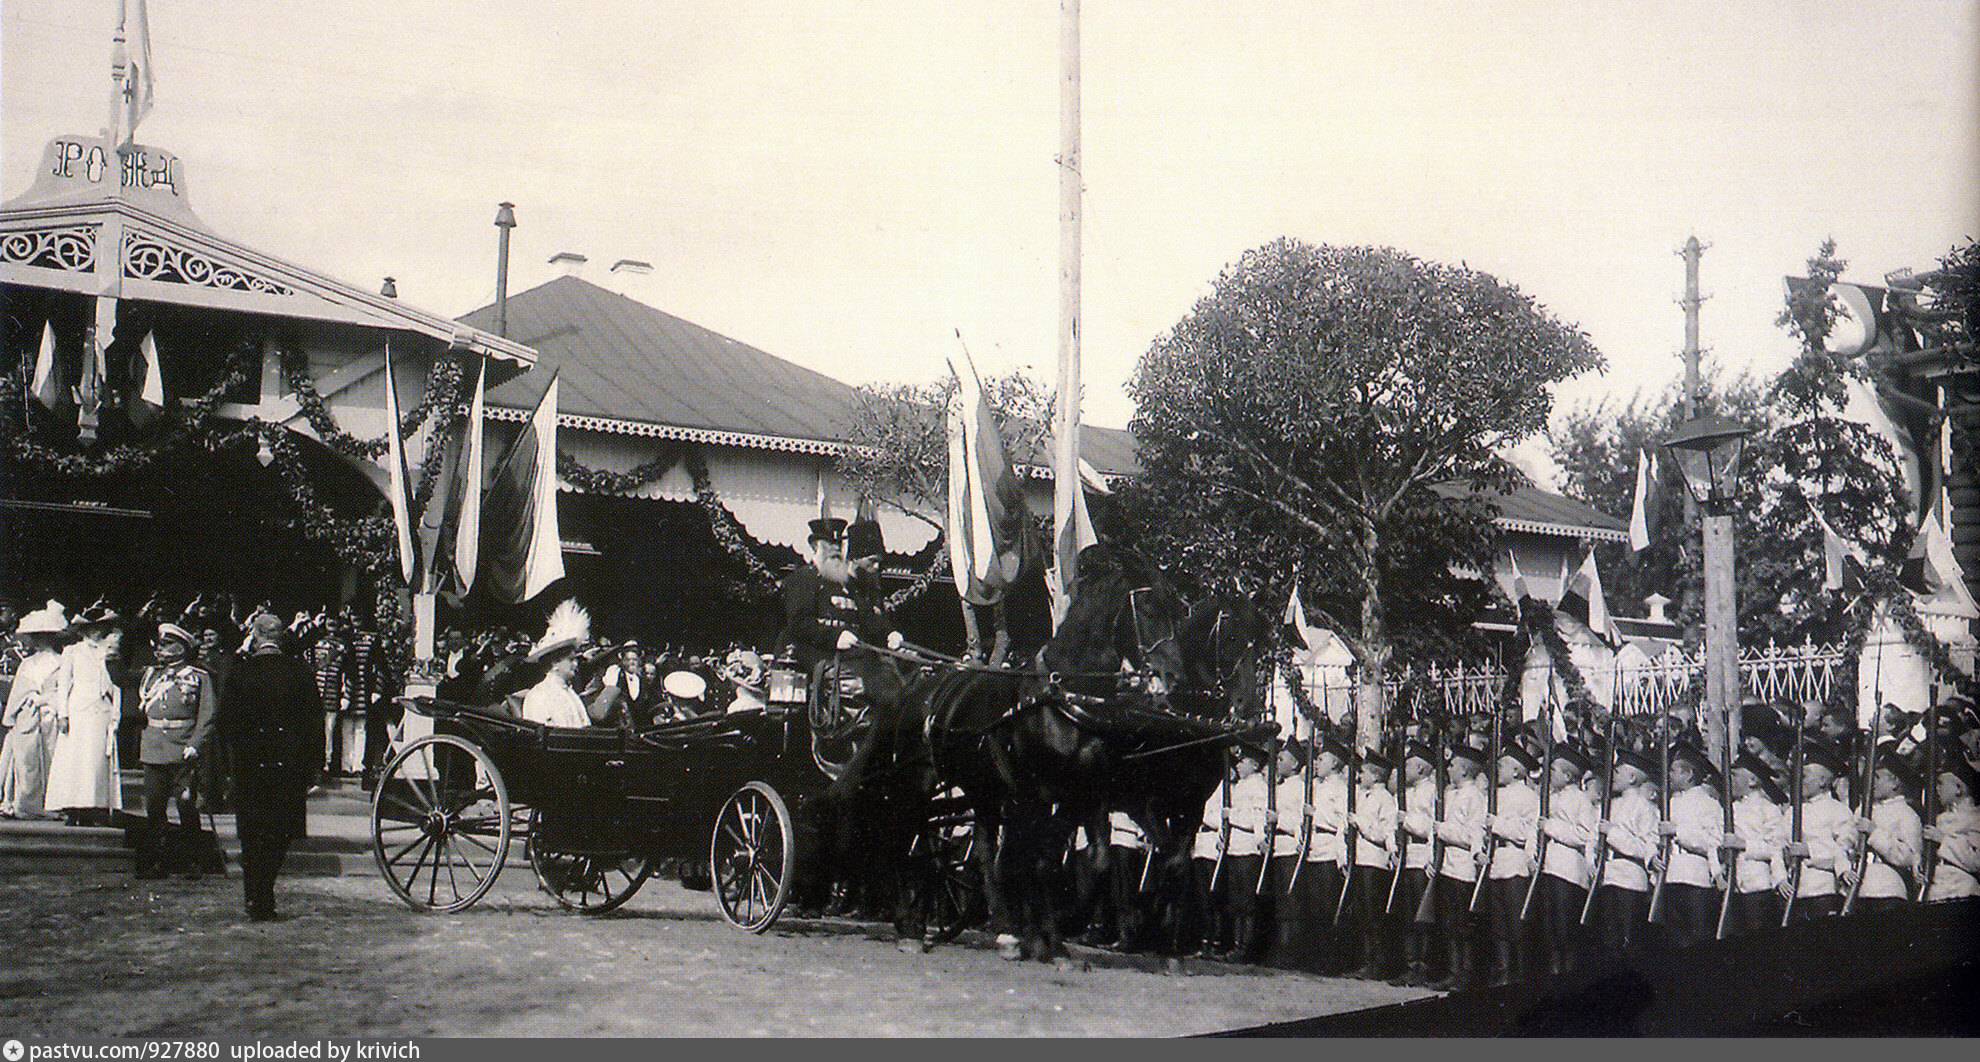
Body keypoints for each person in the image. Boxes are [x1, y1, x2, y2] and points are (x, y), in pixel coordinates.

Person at [218, 613, 320, 921]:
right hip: (288, 766)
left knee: (252, 834)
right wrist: (314, 765)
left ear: (256, 635)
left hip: (250, 764)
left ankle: (256, 895)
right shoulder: (301, 671)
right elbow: (315, 723)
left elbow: (225, 724)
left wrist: (228, 765)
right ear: (279, 637)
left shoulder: (240, 672)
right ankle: (264, 891)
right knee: (281, 832)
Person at [133, 623, 217, 879]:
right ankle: (155, 862)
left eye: (168, 644)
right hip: (155, 748)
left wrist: (195, 743)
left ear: (182, 647)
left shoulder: (199, 676)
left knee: (186, 807)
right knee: (155, 809)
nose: (162, 649)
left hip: (183, 749)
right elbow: (121, 678)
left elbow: (207, 715)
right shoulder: (151, 675)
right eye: (161, 644)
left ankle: (192, 861)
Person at [43, 602, 124, 827]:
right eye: (92, 627)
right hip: (78, 710)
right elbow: (64, 684)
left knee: (96, 759)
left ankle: (94, 807)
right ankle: (72, 807)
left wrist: (115, 713)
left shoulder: (111, 651)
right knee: (75, 760)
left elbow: (117, 686)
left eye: (101, 627)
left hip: (101, 711)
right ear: (84, 630)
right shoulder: (72, 651)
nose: (96, 631)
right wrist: (63, 714)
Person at [1427, 742, 1488, 992]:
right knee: (1449, 924)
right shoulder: (1450, 794)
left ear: (1464, 770)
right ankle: (1454, 971)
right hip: (1447, 865)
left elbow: (1472, 836)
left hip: (1463, 867)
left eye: (1452, 765)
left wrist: (1443, 830)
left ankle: (1466, 973)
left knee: (1461, 925)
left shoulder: (1475, 796)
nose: (1448, 769)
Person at [1531, 743, 1595, 976]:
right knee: (1549, 927)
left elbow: (1585, 834)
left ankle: (1569, 974)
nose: (1549, 773)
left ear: (1568, 776)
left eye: (1555, 770)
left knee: (1565, 927)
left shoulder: (1580, 799)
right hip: (1548, 867)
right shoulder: (1549, 797)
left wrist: (1551, 827)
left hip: (1568, 870)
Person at [1590, 745, 1659, 960]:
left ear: (1631, 777)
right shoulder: (1610, 804)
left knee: (1628, 941)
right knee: (1609, 940)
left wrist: (1613, 834)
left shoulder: (1644, 807)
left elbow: (1646, 847)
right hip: (1608, 876)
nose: (1612, 776)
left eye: (1617, 772)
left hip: (1630, 879)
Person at [1479, 742, 1540, 987]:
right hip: (1496, 862)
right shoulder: (1495, 794)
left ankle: (1519, 976)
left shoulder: (1528, 797)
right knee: (1498, 925)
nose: (1497, 769)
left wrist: (1498, 826)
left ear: (1517, 771)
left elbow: (1528, 832)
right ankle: (1503, 973)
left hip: (1516, 862)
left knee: (1517, 924)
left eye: (1502, 765)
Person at [0, 602, 68, 820]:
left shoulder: (62, 661)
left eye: (44, 635)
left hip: (51, 716)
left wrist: (49, 701)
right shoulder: (27, 664)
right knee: (26, 760)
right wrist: (13, 716)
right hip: (27, 716)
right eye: (36, 635)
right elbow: (18, 693)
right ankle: (26, 804)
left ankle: (52, 805)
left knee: (51, 758)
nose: (39, 640)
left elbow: (65, 690)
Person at [1658, 742, 1726, 948]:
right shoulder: (1670, 802)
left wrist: (1678, 832)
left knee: (1698, 938)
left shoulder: (1708, 803)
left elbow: (1713, 842)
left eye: (1673, 771)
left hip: (1695, 877)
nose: (1669, 775)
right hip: (1671, 877)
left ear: (1688, 775)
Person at [1840, 746, 1921, 914]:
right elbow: (1846, 841)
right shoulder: (1862, 810)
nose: (1871, 783)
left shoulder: (1907, 814)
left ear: (1894, 783)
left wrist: (1874, 833)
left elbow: (1908, 858)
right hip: (1858, 887)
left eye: (1877, 777)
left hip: (1887, 888)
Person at [1343, 749, 1399, 980]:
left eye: (1364, 772)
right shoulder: (1363, 795)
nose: (1360, 776)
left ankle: (1377, 963)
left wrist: (1360, 823)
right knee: (1363, 914)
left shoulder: (1385, 799)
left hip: (1374, 862)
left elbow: (1385, 834)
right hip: (1361, 859)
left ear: (1376, 776)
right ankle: (1367, 960)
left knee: (1373, 914)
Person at [1720, 752, 1789, 934]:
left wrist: (1744, 845)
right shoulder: (1730, 809)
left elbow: (1776, 848)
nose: (1730, 781)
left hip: (1758, 887)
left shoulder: (1768, 810)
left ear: (1751, 780)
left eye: (1734, 776)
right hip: (1734, 887)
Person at [1391, 740, 1442, 987]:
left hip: (1422, 855)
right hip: (1407, 855)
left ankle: (1425, 965)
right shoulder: (1408, 792)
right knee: (1407, 914)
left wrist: (1407, 820)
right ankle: (1411, 964)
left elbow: (1431, 827)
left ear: (1422, 768)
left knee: (1423, 916)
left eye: (1409, 765)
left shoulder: (1432, 792)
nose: (1405, 770)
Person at [1784, 741, 1853, 920]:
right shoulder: (1791, 812)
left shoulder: (1839, 811)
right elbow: (1779, 844)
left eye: (1804, 776)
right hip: (1795, 891)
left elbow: (1845, 852)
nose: (1799, 781)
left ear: (1823, 781)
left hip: (1823, 890)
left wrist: (1810, 851)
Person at [521, 602, 607, 728]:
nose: (575, 664)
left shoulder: (570, 694)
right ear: (554, 663)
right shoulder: (539, 696)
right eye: (570, 659)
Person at [1922, 762, 1980, 900]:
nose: (1936, 789)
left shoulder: (1975, 818)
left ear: (1958, 788)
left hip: (1962, 889)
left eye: (1941, 783)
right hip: (1936, 889)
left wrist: (1944, 841)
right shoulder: (1938, 820)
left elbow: (1976, 861)